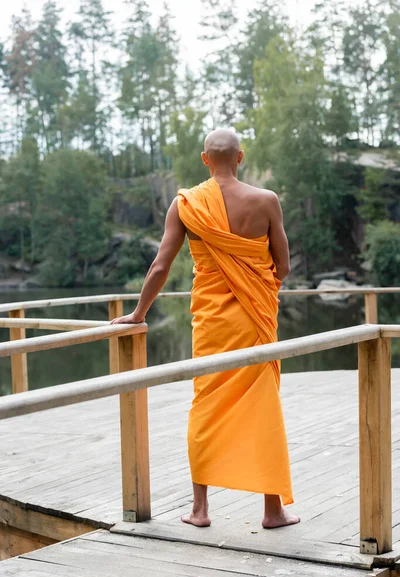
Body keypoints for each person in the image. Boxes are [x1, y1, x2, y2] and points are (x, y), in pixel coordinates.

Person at [111, 129, 299, 529]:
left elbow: (160, 267)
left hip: (211, 323)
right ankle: (272, 511)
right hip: (255, 321)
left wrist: (138, 314)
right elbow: (282, 267)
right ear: (241, 157)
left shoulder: (186, 205)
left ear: (204, 159)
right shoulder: (266, 202)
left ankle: (199, 510)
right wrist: (255, 288)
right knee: (263, 406)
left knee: (206, 406)